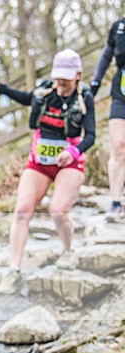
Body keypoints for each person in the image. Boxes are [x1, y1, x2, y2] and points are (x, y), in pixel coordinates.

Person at [0, 49, 95, 286]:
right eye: (58, 77)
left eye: (66, 79)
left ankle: (68, 251)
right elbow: (24, 97)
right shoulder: (46, 91)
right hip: (39, 163)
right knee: (22, 211)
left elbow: (90, 135)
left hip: (69, 162)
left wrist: (72, 151)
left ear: (78, 75)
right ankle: (14, 270)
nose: (61, 83)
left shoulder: (85, 98)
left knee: (58, 210)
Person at [91, 17, 125, 222]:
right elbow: (106, 56)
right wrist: (95, 83)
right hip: (121, 92)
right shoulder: (119, 26)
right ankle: (115, 202)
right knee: (119, 146)